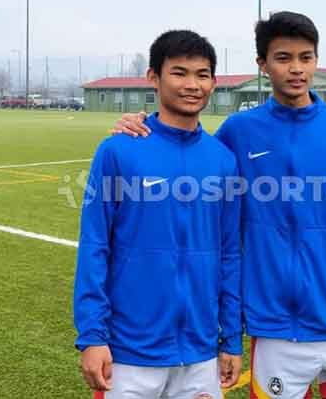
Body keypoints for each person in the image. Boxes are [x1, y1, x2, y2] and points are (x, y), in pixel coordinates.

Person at [113, 11, 326, 399]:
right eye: (283, 58)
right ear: (262, 65)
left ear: (316, 60)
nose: (297, 69)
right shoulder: (238, 132)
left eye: (306, 57)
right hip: (274, 327)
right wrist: (139, 124)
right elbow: (189, 147)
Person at [74, 29, 243, 399]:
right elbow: (94, 246)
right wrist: (91, 336)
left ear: (214, 82)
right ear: (154, 77)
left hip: (200, 356)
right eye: (179, 72)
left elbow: (230, 254)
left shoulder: (223, 160)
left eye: (202, 75)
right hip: (129, 354)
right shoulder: (118, 151)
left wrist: (230, 338)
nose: (192, 85)